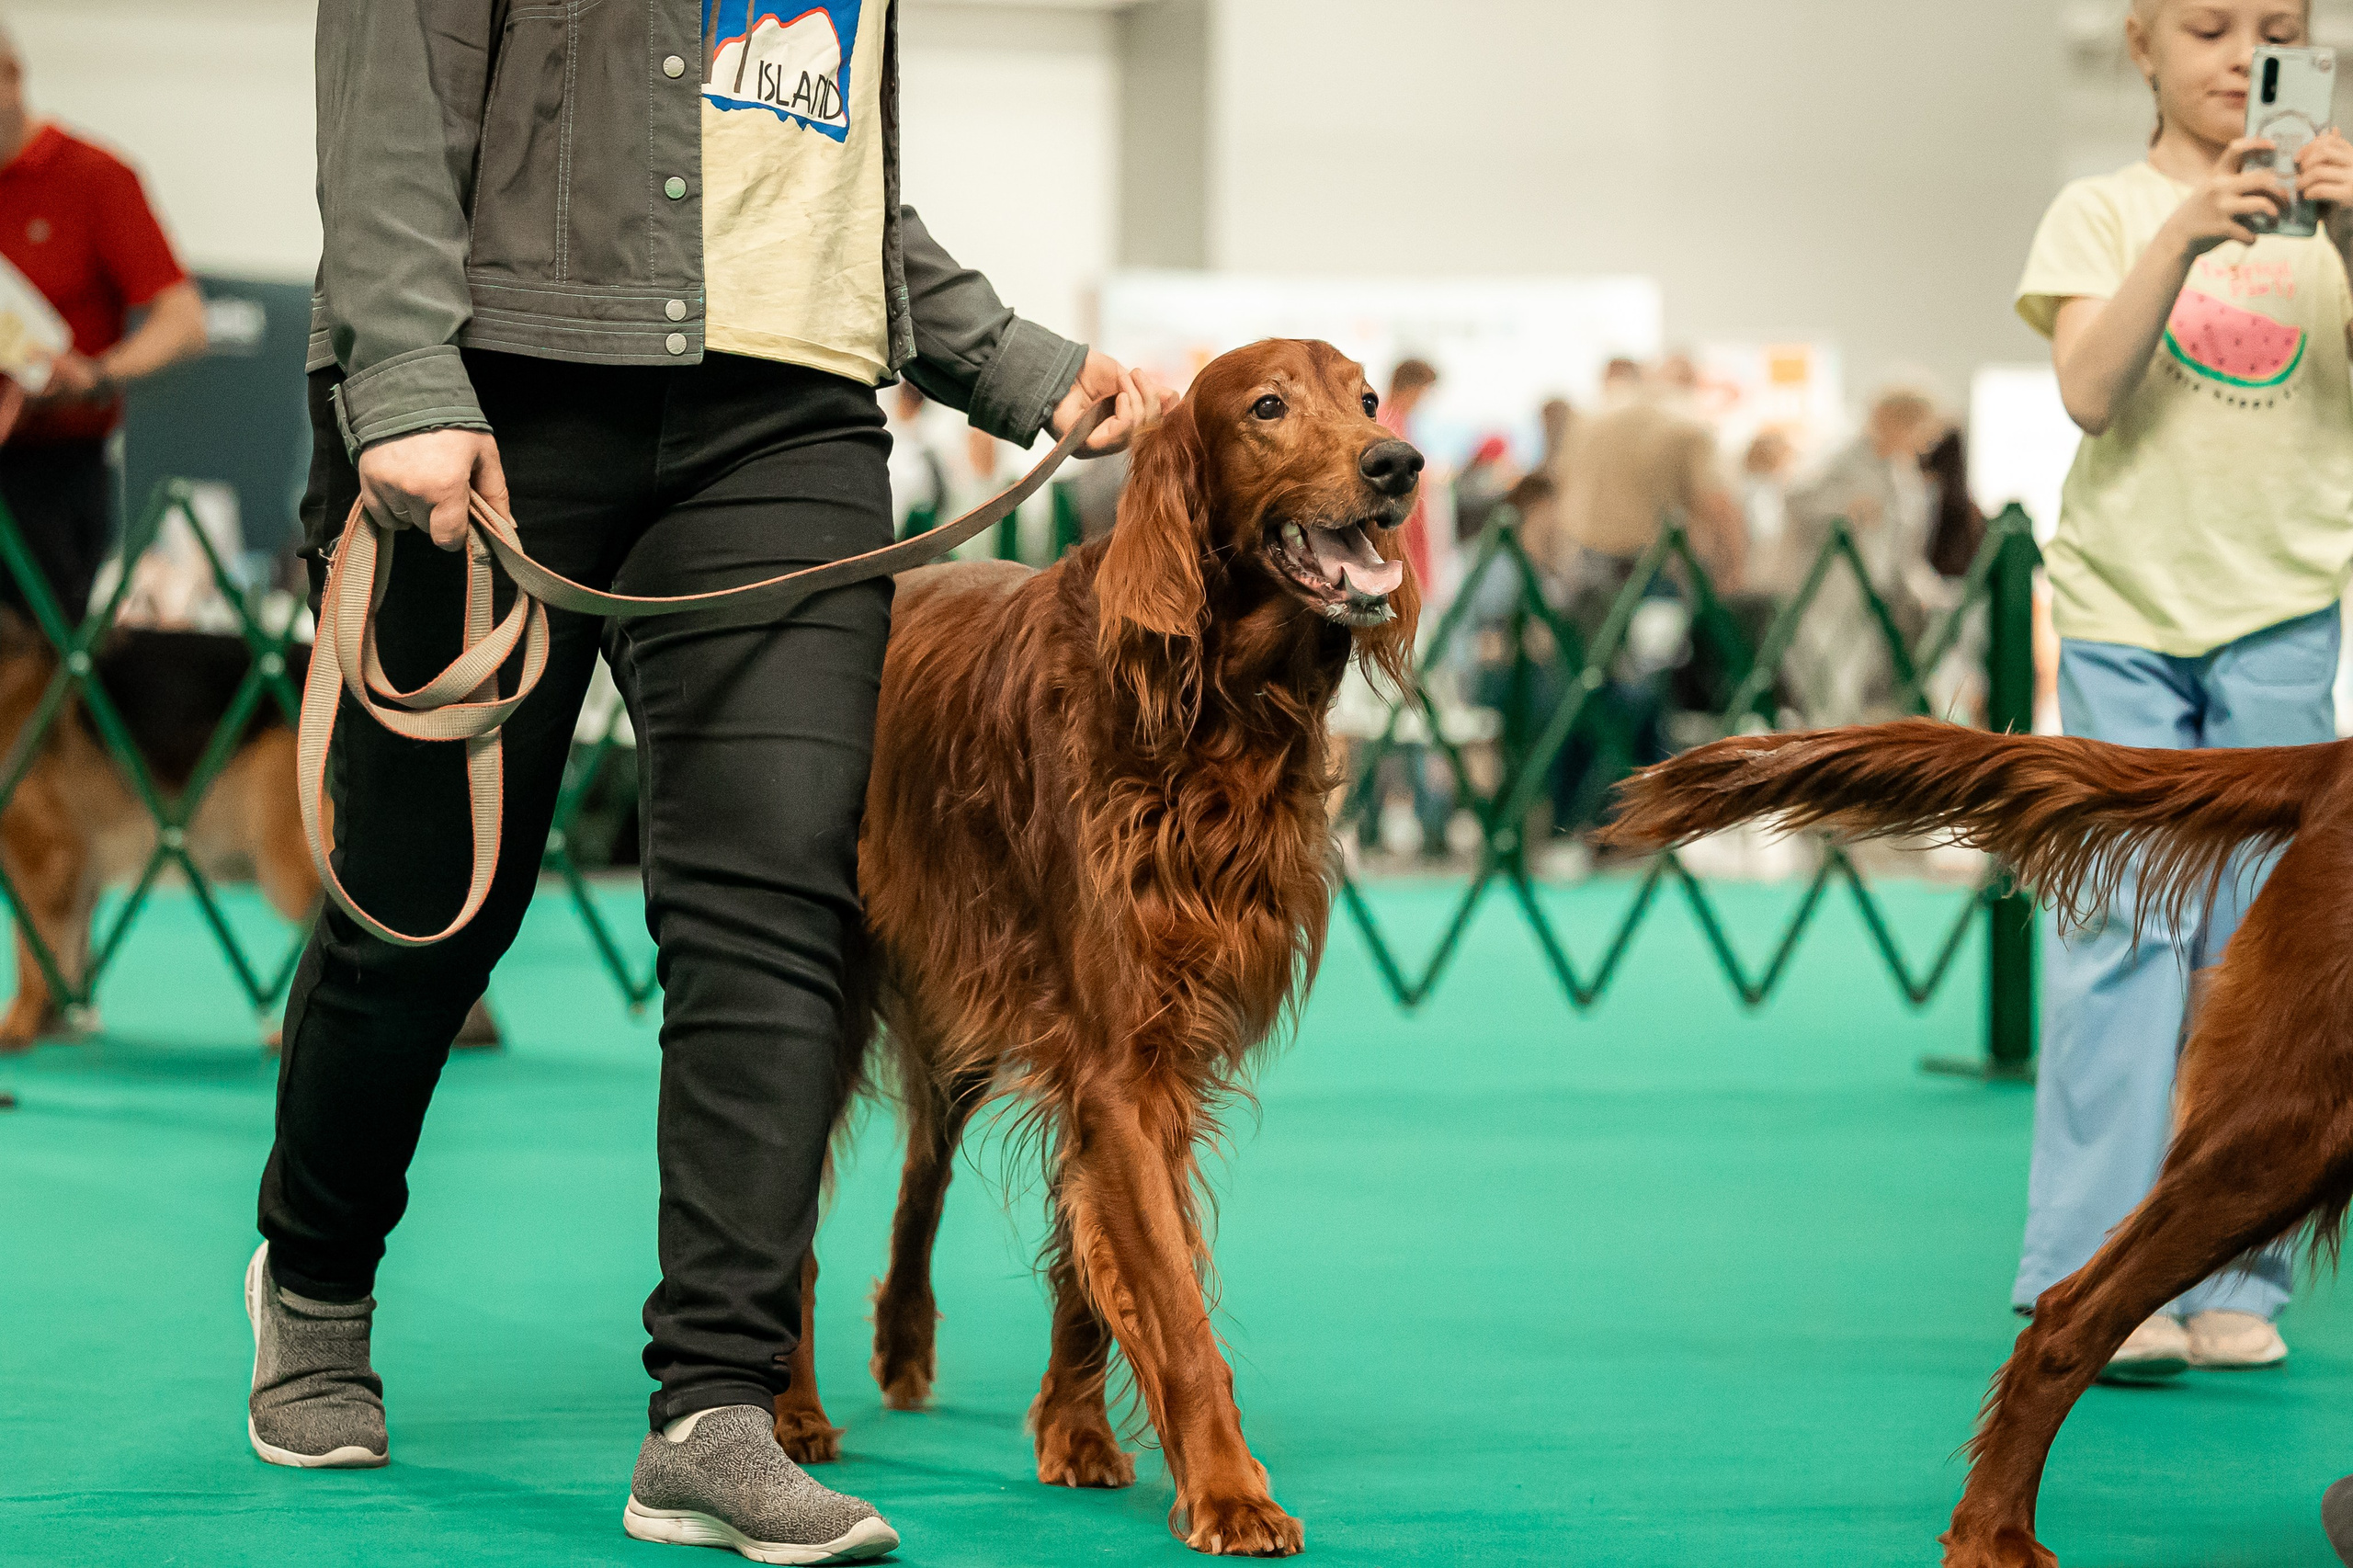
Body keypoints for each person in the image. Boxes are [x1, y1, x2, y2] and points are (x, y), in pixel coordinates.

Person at [258, 6, 1167, 1562]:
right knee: (426, 910)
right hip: (500, 389)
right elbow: (393, 92)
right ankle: (316, 1277)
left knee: (779, 901)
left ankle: (715, 1405)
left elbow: (817, 172)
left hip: (789, 424)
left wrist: (1015, 360)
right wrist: (401, 373)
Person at [2016, 0, 2353, 1388]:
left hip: (2285, 619)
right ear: (2140, 45)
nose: (2240, 55)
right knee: (2115, 935)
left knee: (2260, 960)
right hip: (2124, 620)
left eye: (2278, 27)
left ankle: (2233, 1268)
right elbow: (2089, 393)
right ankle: (2089, 1267)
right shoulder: (2098, 211)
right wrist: (2182, 235)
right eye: (2208, 26)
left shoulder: (2334, 224)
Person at [0, 28, 205, 624]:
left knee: (32, 660)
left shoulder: (94, 176)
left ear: (11, 78)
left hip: (50, 475)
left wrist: (96, 375)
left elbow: (183, 320)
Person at [1779, 388, 1947, 724]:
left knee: (1856, 694)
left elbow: (1906, 550)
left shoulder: (1903, 474)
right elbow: (1796, 498)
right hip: (1828, 598)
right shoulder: (1840, 459)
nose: (1924, 442)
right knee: (1829, 695)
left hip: (1874, 600)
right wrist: (1844, 507)